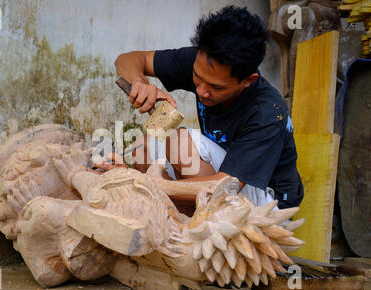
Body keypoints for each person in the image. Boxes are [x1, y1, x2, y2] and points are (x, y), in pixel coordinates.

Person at [102, 5, 304, 210]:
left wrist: (139, 184)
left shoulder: (268, 112)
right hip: (224, 180)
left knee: (180, 144)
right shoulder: (205, 60)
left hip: (269, 203)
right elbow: (126, 60)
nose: (202, 92)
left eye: (216, 87)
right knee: (143, 147)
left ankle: (175, 217)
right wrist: (140, 83)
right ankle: (176, 220)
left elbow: (223, 186)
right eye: (197, 78)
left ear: (248, 81)